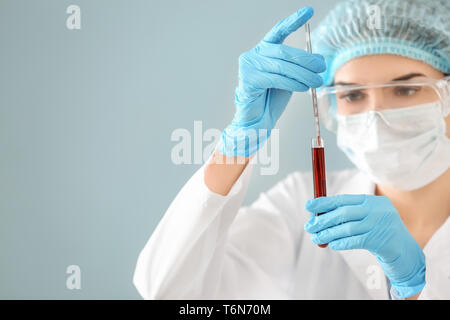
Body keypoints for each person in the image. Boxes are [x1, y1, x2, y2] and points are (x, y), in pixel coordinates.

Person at [133, 0, 450, 300]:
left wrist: (417, 286)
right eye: (352, 95)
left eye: (407, 89)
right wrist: (236, 146)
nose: (375, 116)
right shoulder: (301, 205)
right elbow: (170, 292)